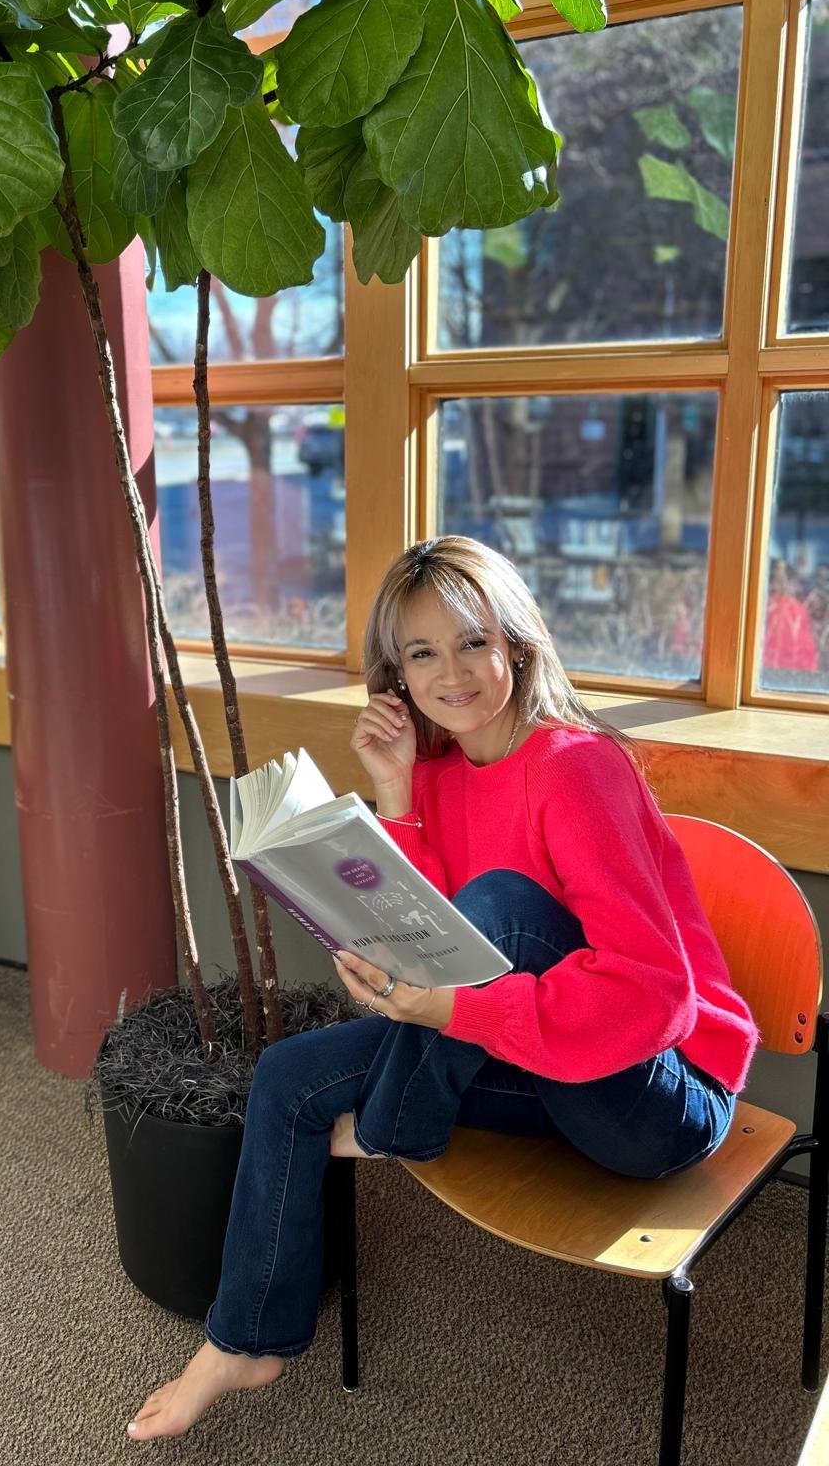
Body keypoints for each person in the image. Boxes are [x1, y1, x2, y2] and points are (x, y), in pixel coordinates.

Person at [127, 535, 758, 1443]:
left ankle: (397, 1123)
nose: (450, 673)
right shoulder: (434, 773)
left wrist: (454, 1009)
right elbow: (425, 940)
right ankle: (244, 1343)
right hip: (535, 1052)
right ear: (397, 676)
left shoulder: (576, 766)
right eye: (421, 653)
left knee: (500, 908)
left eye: (471, 643)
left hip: (656, 1090)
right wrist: (393, 798)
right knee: (288, 1078)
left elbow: (654, 996)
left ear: (516, 646)